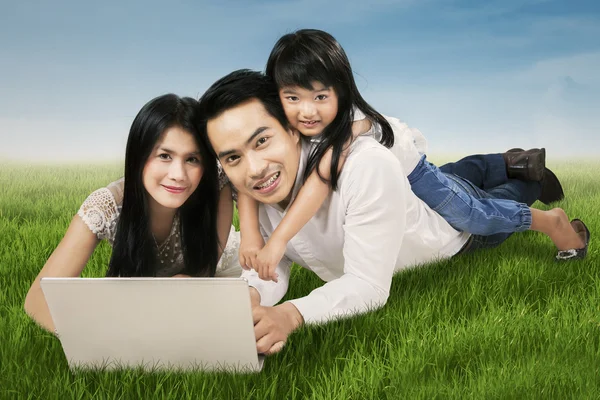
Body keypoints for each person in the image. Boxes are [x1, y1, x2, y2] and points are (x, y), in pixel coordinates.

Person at [197, 69, 590, 355]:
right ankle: (505, 159)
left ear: (294, 127)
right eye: (233, 157)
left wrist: (292, 313)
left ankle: (531, 182)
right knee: (455, 174)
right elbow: (272, 261)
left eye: (262, 140)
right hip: (406, 194)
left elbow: (368, 286)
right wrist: (253, 295)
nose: (254, 169)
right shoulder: (258, 191)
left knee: (489, 206)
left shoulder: (362, 165)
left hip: (449, 233)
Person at [235, 29, 571, 282]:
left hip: (409, 169)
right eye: (292, 98)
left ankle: (545, 217)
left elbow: (320, 180)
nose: (306, 111)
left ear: (341, 90)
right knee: (455, 178)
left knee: (470, 215)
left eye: (320, 97)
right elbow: (246, 173)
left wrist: (276, 241)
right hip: (396, 182)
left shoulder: (344, 129)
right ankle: (507, 161)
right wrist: (250, 233)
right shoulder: (275, 123)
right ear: (277, 94)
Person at [24, 94, 242, 333]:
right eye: (164, 156)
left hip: (224, 268)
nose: (178, 174)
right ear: (138, 157)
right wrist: (93, 338)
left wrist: (185, 289)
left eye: (192, 159)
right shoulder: (106, 206)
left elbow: (205, 271)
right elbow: (36, 301)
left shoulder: (215, 183)